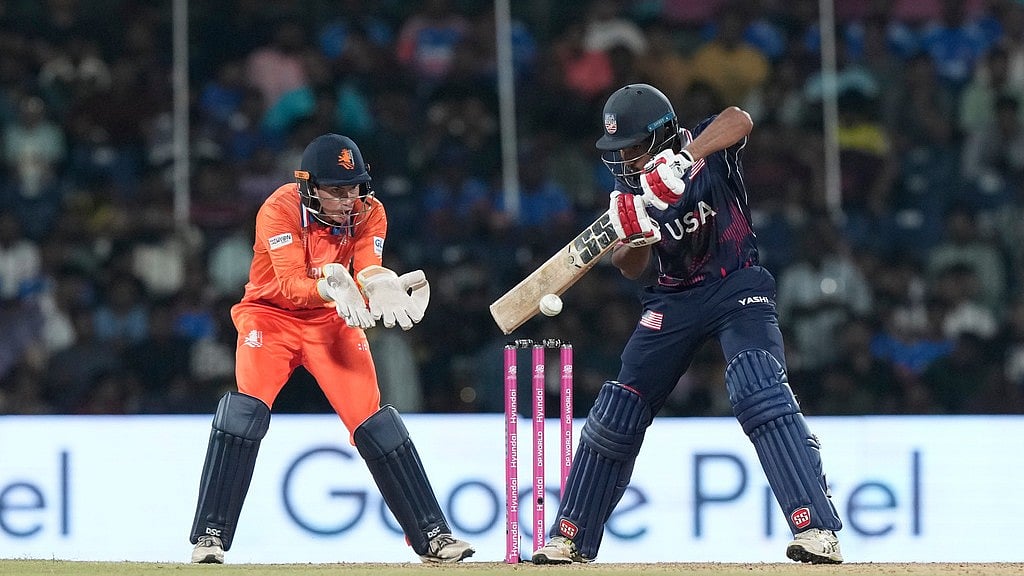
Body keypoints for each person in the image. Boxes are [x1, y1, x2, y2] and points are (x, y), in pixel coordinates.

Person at [531, 84, 843, 565]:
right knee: (619, 410)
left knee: (757, 387)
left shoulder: (703, 143)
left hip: (735, 282)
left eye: (633, 148)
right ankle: (569, 537)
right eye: (620, 151)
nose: (627, 161)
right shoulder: (629, 191)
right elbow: (629, 266)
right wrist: (636, 238)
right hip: (672, 298)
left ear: (659, 136)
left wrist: (686, 158)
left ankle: (817, 529)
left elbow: (739, 118)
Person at [188, 133, 474, 564]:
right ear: (309, 187)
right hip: (271, 317)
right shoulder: (279, 208)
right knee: (246, 414)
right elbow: (288, 285)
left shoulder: (371, 211)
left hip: (333, 319)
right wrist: (329, 287)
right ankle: (209, 535)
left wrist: (383, 286)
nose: (347, 200)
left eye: (354, 187)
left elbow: (368, 267)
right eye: (336, 190)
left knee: (374, 422)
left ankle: (433, 537)